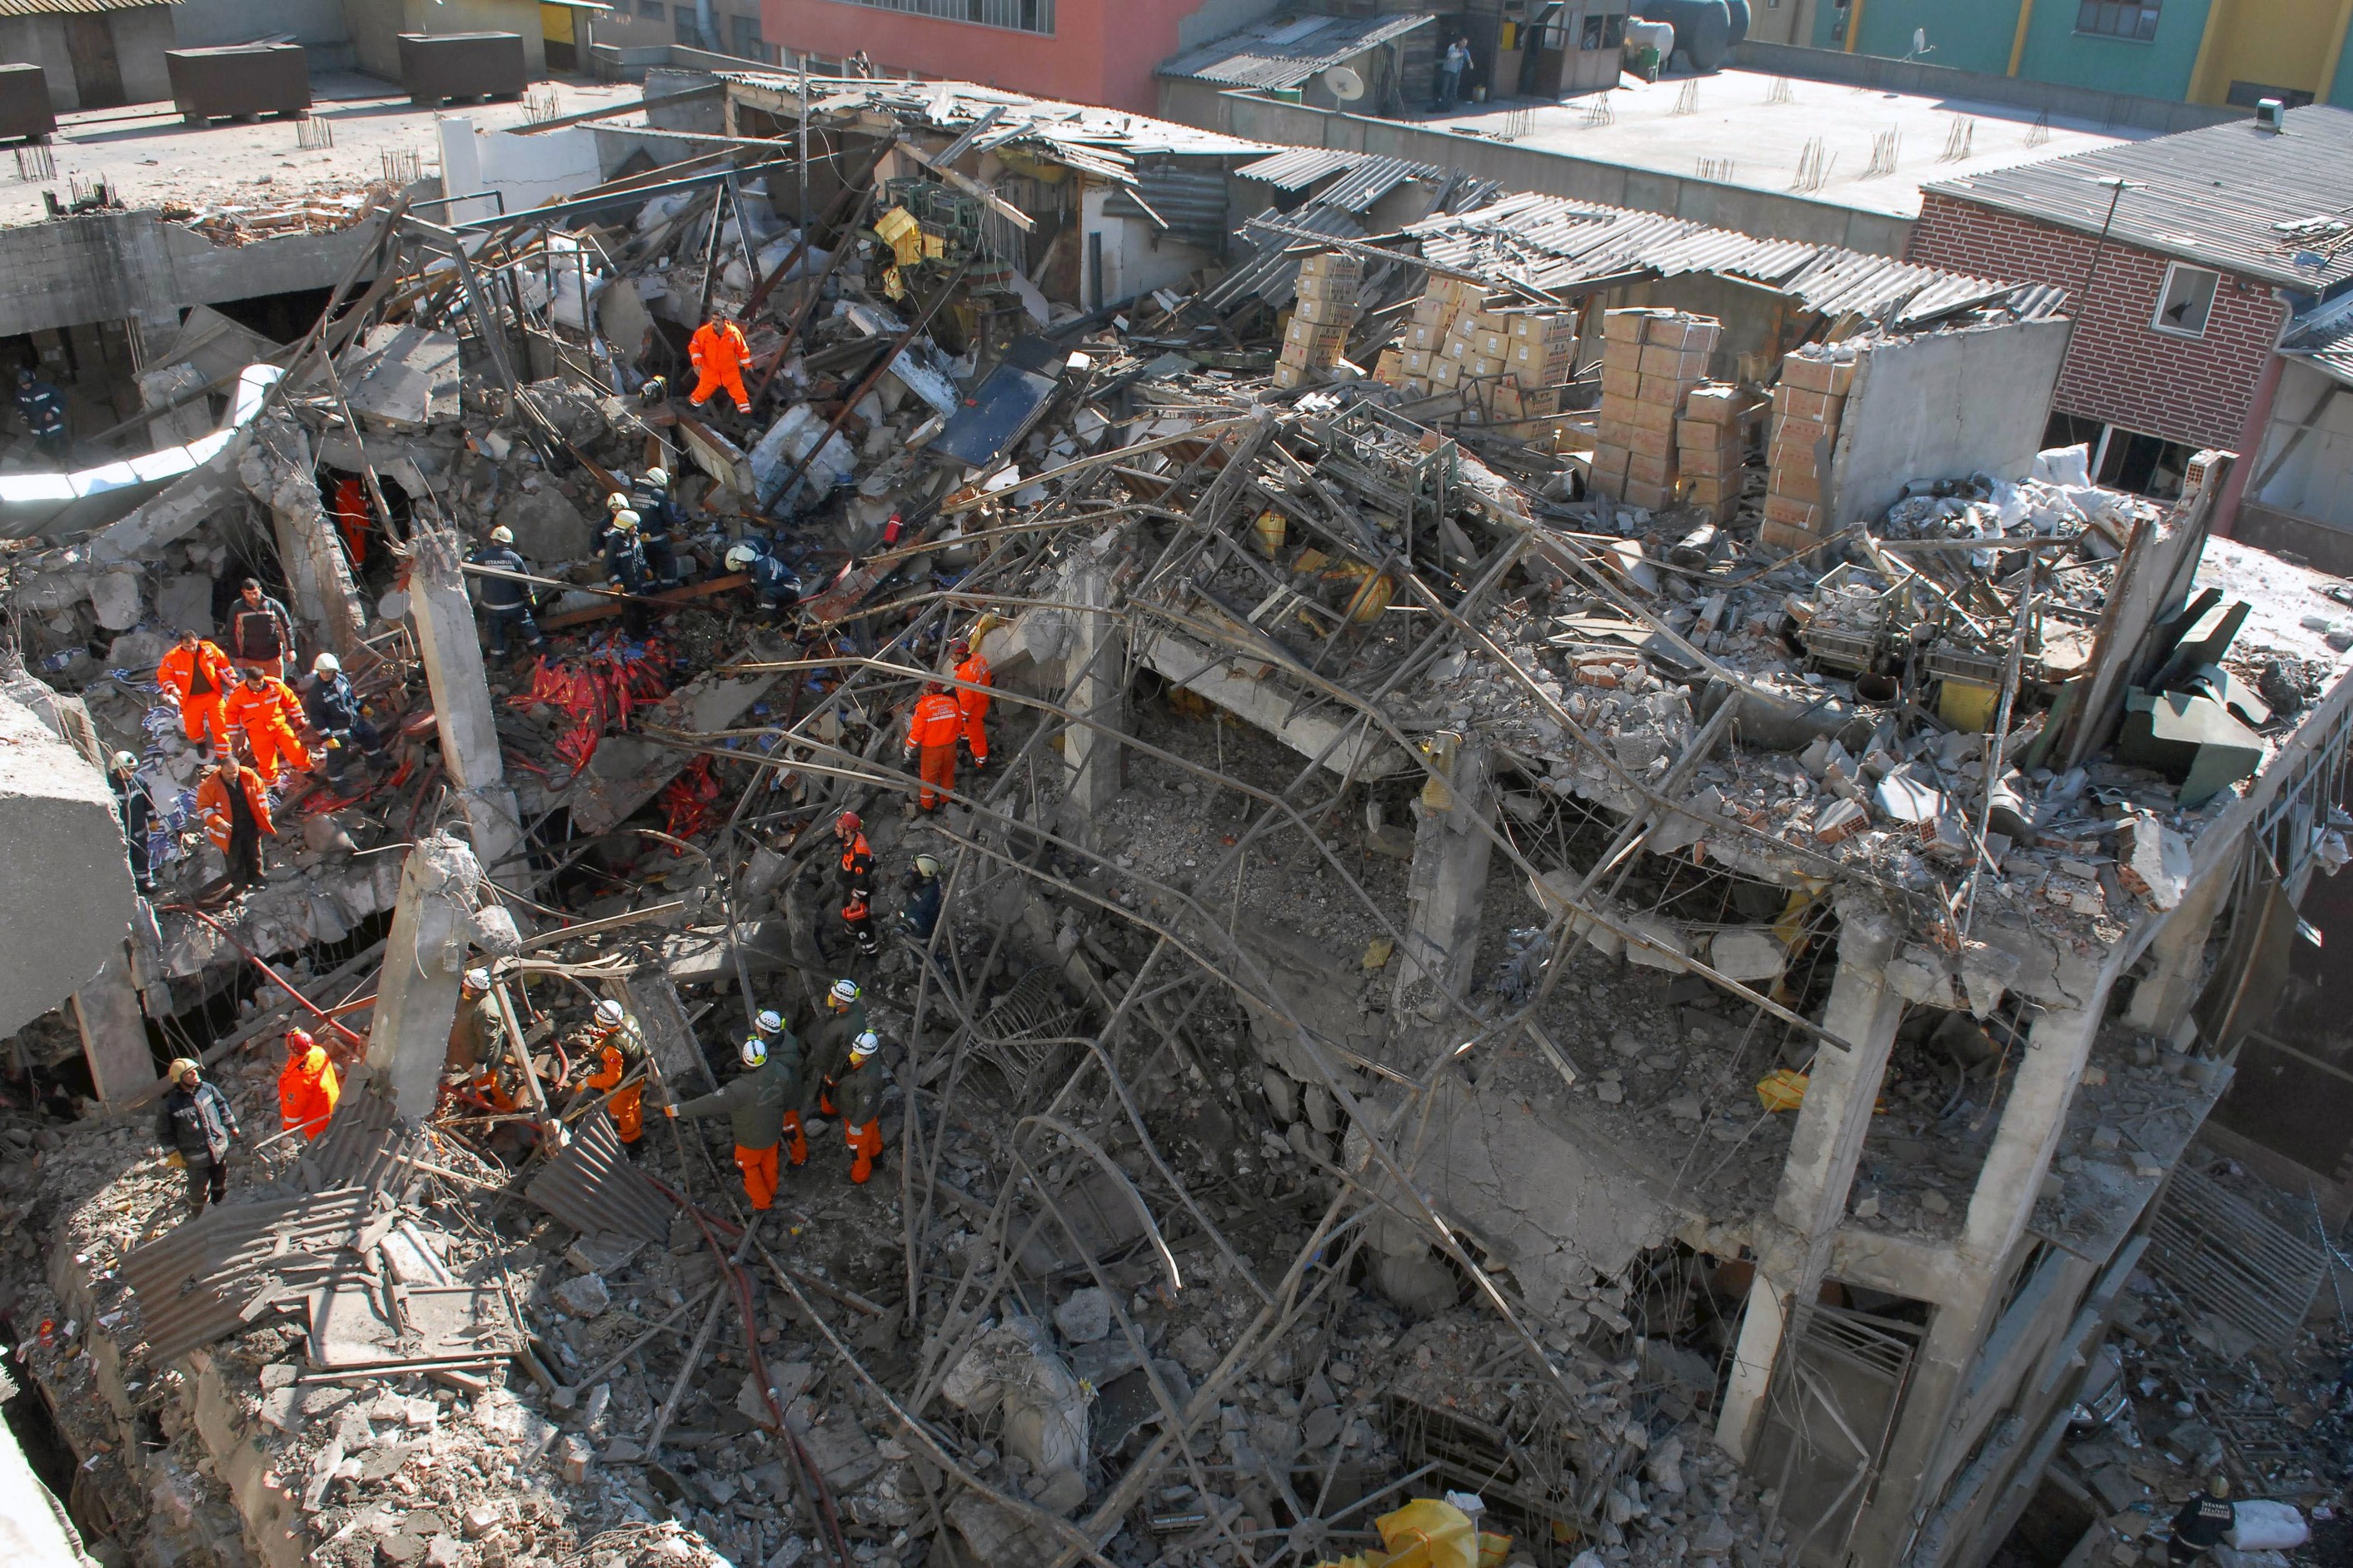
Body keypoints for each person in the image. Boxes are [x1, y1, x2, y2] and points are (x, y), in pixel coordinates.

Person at [664, 1033, 794, 1211]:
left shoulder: (738, 1089)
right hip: (772, 1131)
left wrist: (678, 1110)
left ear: (745, 1059)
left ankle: (762, 1203)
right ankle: (770, 1192)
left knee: (748, 1168)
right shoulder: (780, 1070)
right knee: (769, 1163)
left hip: (750, 1140)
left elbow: (710, 1103)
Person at [153, 1058, 242, 1218]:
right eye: (190, 1073)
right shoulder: (171, 1104)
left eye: (195, 1070)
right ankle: (199, 1219)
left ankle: (219, 1209)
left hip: (218, 1149)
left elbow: (222, 1106)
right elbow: (163, 1132)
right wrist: (172, 1153)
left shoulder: (207, 1089)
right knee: (198, 1189)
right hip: (195, 1158)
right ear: (180, 1079)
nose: (195, 1074)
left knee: (219, 1181)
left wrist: (232, 1125)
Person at [303, 653, 385, 786]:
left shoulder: (341, 680)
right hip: (337, 729)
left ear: (335, 671)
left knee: (370, 736)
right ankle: (338, 786)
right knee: (337, 758)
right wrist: (328, 737)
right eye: (322, 672)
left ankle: (376, 764)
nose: (325, 675)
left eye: (328, 672)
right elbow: (316, 718)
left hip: (353, 721)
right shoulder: (316, 692)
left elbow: (350, 698)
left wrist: (362, 708)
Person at [578, 998, 650, 1149]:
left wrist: (589, 1081)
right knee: (634, 1104)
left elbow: (612, 1078)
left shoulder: (612, 1048)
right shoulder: (631, 1020)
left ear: (602, 1022)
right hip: (638, 1075)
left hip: (622, 1087)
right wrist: (606, 1036)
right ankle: (638, 1126)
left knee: (621, 1115)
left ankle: (633, 1143)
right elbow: (625, 1039)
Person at [196, 754, 273, 890]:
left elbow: (261, 796)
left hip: (249, 822)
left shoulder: (249, 776)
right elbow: (203, 807)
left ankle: (258, 879)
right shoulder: (210, 785)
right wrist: (217, 821)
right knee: (234, 859)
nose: (233, 776)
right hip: (228, 829)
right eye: (229, 773)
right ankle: (239, 887)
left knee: (254, 853)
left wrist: (265, 817)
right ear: (221, 770)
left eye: (235, 772)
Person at [223, 666, 313, 784]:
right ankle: (272, 785)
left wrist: (299, 717)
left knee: (295, 749)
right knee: (266, 761)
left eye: (260, 683)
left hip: (278, 725)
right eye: (254, 684)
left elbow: (290, 700)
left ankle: (308, 771)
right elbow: (231, 714)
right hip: (257, 732)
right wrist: (233, 734)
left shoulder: (275, 686)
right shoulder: (238, 693)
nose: (258, 687)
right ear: (248, 681)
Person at [158, 629, 236, 759]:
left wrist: (232, 678)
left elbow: (223, 662)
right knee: (193, 729)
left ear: (197, 641)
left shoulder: (209, 648)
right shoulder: (173, 657)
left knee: (221, 725)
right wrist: (172, 689)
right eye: (187, 646)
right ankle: (200, 742)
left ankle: (225, 757)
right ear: (181, 644)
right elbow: (164, 675)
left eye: (194, 645)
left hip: (213, 695)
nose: (191, 649)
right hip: (190, 698)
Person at [470, 526, 545, 660]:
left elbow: (469, 572)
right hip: (515, 606)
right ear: (509, 543)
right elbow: (525, 582)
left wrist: (469, 554)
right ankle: (544, 652)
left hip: (492, 608)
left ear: (493, 541)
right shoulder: (515, 558)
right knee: (527, 626)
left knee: (495, 633)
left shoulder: (483, 557)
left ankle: (496, 662)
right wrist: (530, 599)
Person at [803, 978, 870, 1127]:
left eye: (834, 997)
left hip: (837, 1066)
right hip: (832, 1058)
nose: (830, 998)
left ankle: (829, 1114)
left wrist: (834, 1074)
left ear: (842, 1001)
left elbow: (844, 1054)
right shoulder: (849, 1011)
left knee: (832, 1090)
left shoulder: (848, 1026)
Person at [447, 968, 511, 1107]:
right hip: (466, 1046)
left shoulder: (486, 1012)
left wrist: (480, 1064)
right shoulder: (470, 997)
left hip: (479, 1056)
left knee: (486, 1086)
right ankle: (483, 1099)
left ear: (476, 990)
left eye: (467, 985)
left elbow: (487, 1041)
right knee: (480, 1085)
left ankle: (503, 1109)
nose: (463, 986)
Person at [905, 679, 964, 812]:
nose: (922, 691)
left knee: (928, 779)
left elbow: (917, 732)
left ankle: (927, 806)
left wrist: (909, 746)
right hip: (950, 747)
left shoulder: (923, 707)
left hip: (932, 751)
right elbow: (959, 725)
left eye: (924, 689)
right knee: (947, 774)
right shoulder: (952, 702)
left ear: (930, 691)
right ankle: (946, 801)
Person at [835, 1032, 885, 1184]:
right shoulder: (870, 1064)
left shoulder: (866, 1079)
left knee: (857, 1148)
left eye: (860, 1053)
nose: (856, 1054)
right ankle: (877, 1159)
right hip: (867, 1115)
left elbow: (865, 1104)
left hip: (857, 1117)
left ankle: (860, 1176)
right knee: (873, 1136)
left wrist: (856, 1125)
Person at [224, 577, 297, 679]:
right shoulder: (237, 608)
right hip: (251, 656)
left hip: (273, 655)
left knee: (276, 687)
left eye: (255, 592)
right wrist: (238, 656)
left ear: (260, 590)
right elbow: (234, 633)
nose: (253, 596)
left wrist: (290, 649)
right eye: (248, 593)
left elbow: (285, 627)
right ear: (243, 592)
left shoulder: (273, 605)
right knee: (256, 688)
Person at [277, 1028, 341, 1142]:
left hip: (317, 1121)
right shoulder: (318, 1052)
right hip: (333, 1105)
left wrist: (287, 1129)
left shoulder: (298, 1079)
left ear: (293, 1050)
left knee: (322, 1148)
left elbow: (294, 1109)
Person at [688, 312, 754, 416]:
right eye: (713, 319)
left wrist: (747, 366)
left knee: (740, 394)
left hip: (729, 371)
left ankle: (745, 414)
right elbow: (694, 348)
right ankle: (692, 408)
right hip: (710, 371)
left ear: (724, 322)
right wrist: (697, 363)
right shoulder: (703, 332)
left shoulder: (733, 333)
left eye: (718, 320)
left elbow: (742, 350)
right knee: (701, 393)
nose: (714, 322)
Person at [109, 750, 156, 896]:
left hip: (138, 828)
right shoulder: (108, 783)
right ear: (117, 769)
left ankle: (144, 882)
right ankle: (126, 886)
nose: (130, 773)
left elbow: (149, 803)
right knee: (122, 857)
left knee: (141, 854)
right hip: (119, 831)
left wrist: (153, 820)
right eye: (126, 770)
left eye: (131, 770)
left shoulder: (139, 781)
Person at [630, 467, 685, 587]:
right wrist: (672, 527)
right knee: (668, 564)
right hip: (658, 539)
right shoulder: (659, 494)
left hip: (640, 540)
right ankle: (670, 589)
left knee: (649, 567)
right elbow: (668, 519)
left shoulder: (636, 492)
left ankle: (652, 591)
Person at [2167, 1476, 2235, 1565]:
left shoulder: (2198, 1501)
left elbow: (2183, 1521)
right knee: (2188, 1560)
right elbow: (2229, 1526)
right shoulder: (2229, 1506)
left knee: (2175, 1555)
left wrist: (2174, 1523)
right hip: (2204, 1546)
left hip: (2184, 1540)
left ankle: (2175, 1564)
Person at [950, 635, 993, 772]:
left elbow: (967, 703)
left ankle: (981, 762)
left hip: (973, 711)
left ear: (960, 655)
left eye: (952, 654)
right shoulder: (978, 658)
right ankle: (965, 739)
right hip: (982, 699)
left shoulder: (964, 676)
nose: (950, 657)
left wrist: (962, 717)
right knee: (968, 729)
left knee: (977, 737)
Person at [725, 540, 803, 613]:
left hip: (792, 588)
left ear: (747, 562)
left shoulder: (762, 571)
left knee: (766, 595)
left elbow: (763, 589)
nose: (741, 567)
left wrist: (759, 606)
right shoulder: (762, 559)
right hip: (790, 582)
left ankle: (770, 619)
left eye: (742, 564)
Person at [14, 365, 66, 463]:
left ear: (32, 380)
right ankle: (52, 464)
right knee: (44, 449)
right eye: (23, 384)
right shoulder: (20, 394)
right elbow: (20, 407)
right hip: (36, 428)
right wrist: (23, 416)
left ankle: (63, 463)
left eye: (27, 383)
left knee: (60, 446)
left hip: (52, 425)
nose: (26, 386)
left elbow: (61, 401)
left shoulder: (46, 388)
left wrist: (52, 413)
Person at [900, 853, 942, 943]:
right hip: (910, 916)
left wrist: (907, 925)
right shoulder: (920, 878)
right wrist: (905, 881)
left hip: (922, 932)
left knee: (922, 954)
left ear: (923, 874)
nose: (912, 869)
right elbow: (909, 875)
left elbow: (921, 913)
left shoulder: (931, 893)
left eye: (915, 869)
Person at [331, 475, 371, 570]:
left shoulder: (347, 490)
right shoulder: (346, 492)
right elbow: (357, 505)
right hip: (354, 524)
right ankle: (358, 568)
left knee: (359, 545)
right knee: (358, 547)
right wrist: (371, 504)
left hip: (356, 523)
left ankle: (360, 566)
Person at [1434, 36, 1469, 112]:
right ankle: (1443, 103)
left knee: (1454, 87)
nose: (1464, 45)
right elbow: (1451, 55)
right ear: (1459, 42)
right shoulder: (1452, 47)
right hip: (1449, 69)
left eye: (1465, 43)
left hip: (1457, 70)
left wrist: (1470, 63)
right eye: (1463, 43)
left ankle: (1452, 103)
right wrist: (1460, 55)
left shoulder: (1464, 50)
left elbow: (1467, 57)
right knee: (1445, 86)